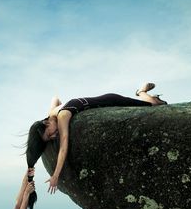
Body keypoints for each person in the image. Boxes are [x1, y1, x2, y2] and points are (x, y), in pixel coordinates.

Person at [26, 82, 167, 194]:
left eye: (49, 134)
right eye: (50, 139)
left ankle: (141, 92)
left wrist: (56, 175)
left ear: (46, 123)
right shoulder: (52, 113)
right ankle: (142, 93)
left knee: (155, 106)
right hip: (104, 100)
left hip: (111, 100)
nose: (53, 136)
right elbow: (55, 98)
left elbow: (64, 146)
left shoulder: (62, 116)